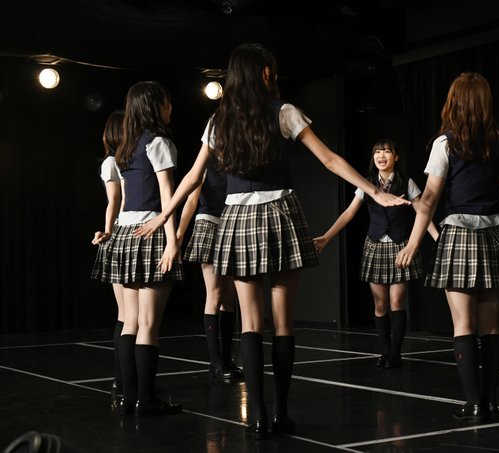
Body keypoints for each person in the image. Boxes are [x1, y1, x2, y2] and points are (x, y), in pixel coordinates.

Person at [133, 43, 409, 438]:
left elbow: (193, 176)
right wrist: (376, 192)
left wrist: (164, 215)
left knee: (250, 323)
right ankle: (280, 412)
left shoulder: (218, 121)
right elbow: (329, 159)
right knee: (282, 323)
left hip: (238, 218)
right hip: (281, 212)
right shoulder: (283, 111)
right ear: (265, 72)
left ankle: (258, 417)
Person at [395, 72, 499, 423]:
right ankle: (491, 401)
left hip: (459, 234)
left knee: (463, 325)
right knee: (491, 326)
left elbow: (429, 198)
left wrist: (413, 243)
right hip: (496, 234)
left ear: (454, 102)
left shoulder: (445, 143)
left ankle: (474, 403)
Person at [314, 138, 438, 369]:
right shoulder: (367, 183)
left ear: (396, 157)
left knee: (397, 301)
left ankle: (395, 355)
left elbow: (423, 212)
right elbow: (349, 213)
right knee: (380, 304)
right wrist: (326, 237)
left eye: (387, 151)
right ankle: (385, 351)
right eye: (377, 152)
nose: (381, 155)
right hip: (375, 245)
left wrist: (438, 238)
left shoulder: (406, 182)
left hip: (400, 246)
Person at [101, 81, 183, 416]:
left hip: (124, 233)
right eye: (167, 101)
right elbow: (167, 195)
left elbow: (122, 201)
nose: (170, 106)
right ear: (155, 105)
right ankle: (145, 400)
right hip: (150, 231)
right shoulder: (158, 142)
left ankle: (127, 397)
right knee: (148, 323)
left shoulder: (125, 147)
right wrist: (173, 241)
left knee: (130, 321)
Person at [176, 151, 243, 382]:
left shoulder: (236, 163)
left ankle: (226, 359)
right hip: (209, 225)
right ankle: (215, 362)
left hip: (231, 226)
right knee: (215, 293)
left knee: (229, 297)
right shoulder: (205, 164)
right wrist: (178, 237)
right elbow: (191, 201)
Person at [90, 109, 126, 402]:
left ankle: (124, 379)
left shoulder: (124, 161)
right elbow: (113, 200)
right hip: (121, 233)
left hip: (125, 231)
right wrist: (108, 231)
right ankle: (121, 378)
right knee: (125, 315)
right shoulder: (111, 162)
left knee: (127, 316)